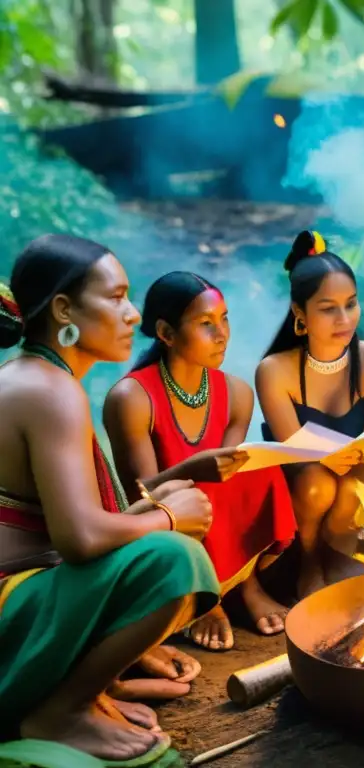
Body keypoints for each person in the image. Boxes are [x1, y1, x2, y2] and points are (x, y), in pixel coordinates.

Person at [0, 235, 222, 763]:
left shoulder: (41, 377)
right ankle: (63, 711)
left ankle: (86, 692)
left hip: (24, 595)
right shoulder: (49, 391)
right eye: (117, 297)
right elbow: (79, 540)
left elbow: (64, 532)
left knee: (160, 523)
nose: (133, 313)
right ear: (63, 310)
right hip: (9, 611)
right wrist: (168, 518)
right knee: (176, 558)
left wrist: (152, 509)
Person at [104, 272, 298, 652]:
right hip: (163, 526)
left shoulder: (237, 393)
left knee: (254, 471)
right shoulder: (132, 397)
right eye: (206, 324)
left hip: (212, 515)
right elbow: (143, 495)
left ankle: (244, 585)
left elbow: (226, 480)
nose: (222, 333)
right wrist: (191, 470)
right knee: (187, 493)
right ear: (166, 332)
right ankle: (200, 597)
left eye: (224, 318)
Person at [256, 231, 364, 598]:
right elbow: (292, 447)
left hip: (355, 479)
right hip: (298, 493)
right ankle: (307, 561)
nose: (344, 318)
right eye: (327, 308)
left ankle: (339, 546)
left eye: (351, 304)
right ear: (299, 314)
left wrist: (358, 451)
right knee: (319, 483)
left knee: (352, 483)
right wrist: (329, 455)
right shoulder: (274, 370)